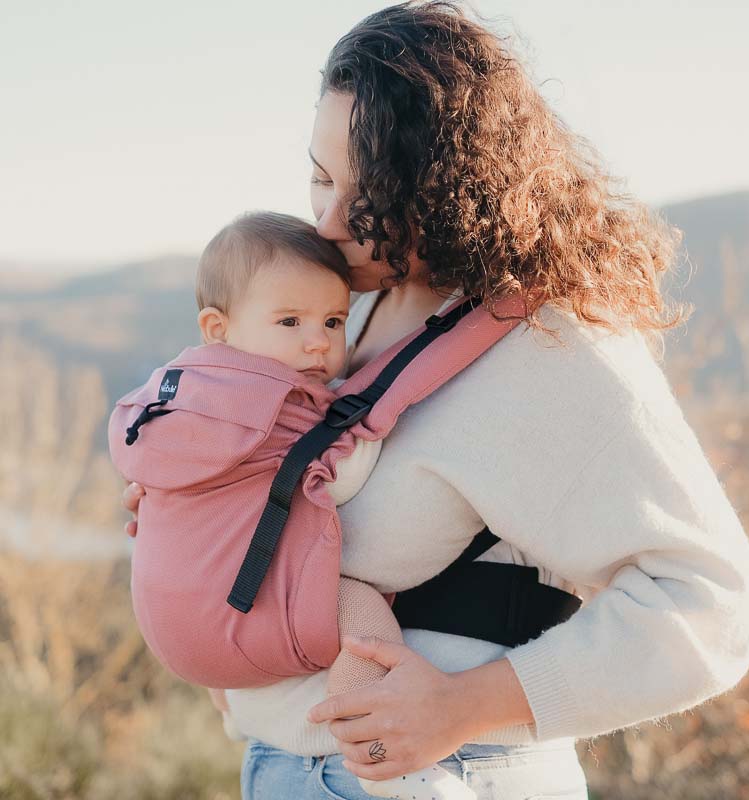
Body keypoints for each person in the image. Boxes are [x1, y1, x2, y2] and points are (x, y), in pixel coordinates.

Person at [122, 3, 749, 798]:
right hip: (283, 767)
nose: (325, 221)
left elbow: (712, 602)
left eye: (364, 196)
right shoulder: (344, 315)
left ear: (445, 188)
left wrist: (466, 707)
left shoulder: (547, 347)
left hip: (454, 774)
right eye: (319, 177)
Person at [111, 209, 478, 799]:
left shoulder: (172, 395)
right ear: (218, 328)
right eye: (290, 321)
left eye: (334, 321)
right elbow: (338, 484)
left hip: (176, 633)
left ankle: (233, 712)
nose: (318, 341)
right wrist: (375, 434)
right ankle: (378, 756)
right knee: (359, 614)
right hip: (241, 619)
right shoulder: (279, 404)